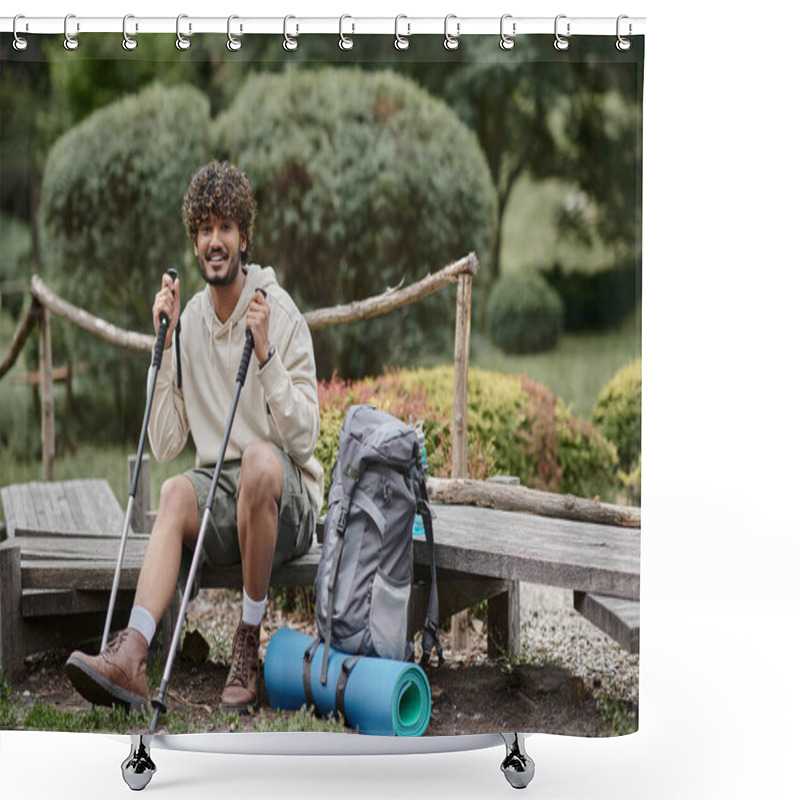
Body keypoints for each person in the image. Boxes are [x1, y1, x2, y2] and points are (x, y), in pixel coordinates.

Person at [65, 161, 324, 714]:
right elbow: (163, 444)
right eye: (204, 229)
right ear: (194, 240)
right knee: (176, 491)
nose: (214, 240)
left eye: (225, 228)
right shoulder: (189, 326)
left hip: (287, 499)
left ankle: (247, 642)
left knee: (257, 461)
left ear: (244, 237)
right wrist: (161, 349)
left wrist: (266, 355)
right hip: (223, 501)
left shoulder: (277, 312)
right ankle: (131, 655)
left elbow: (306, 438)